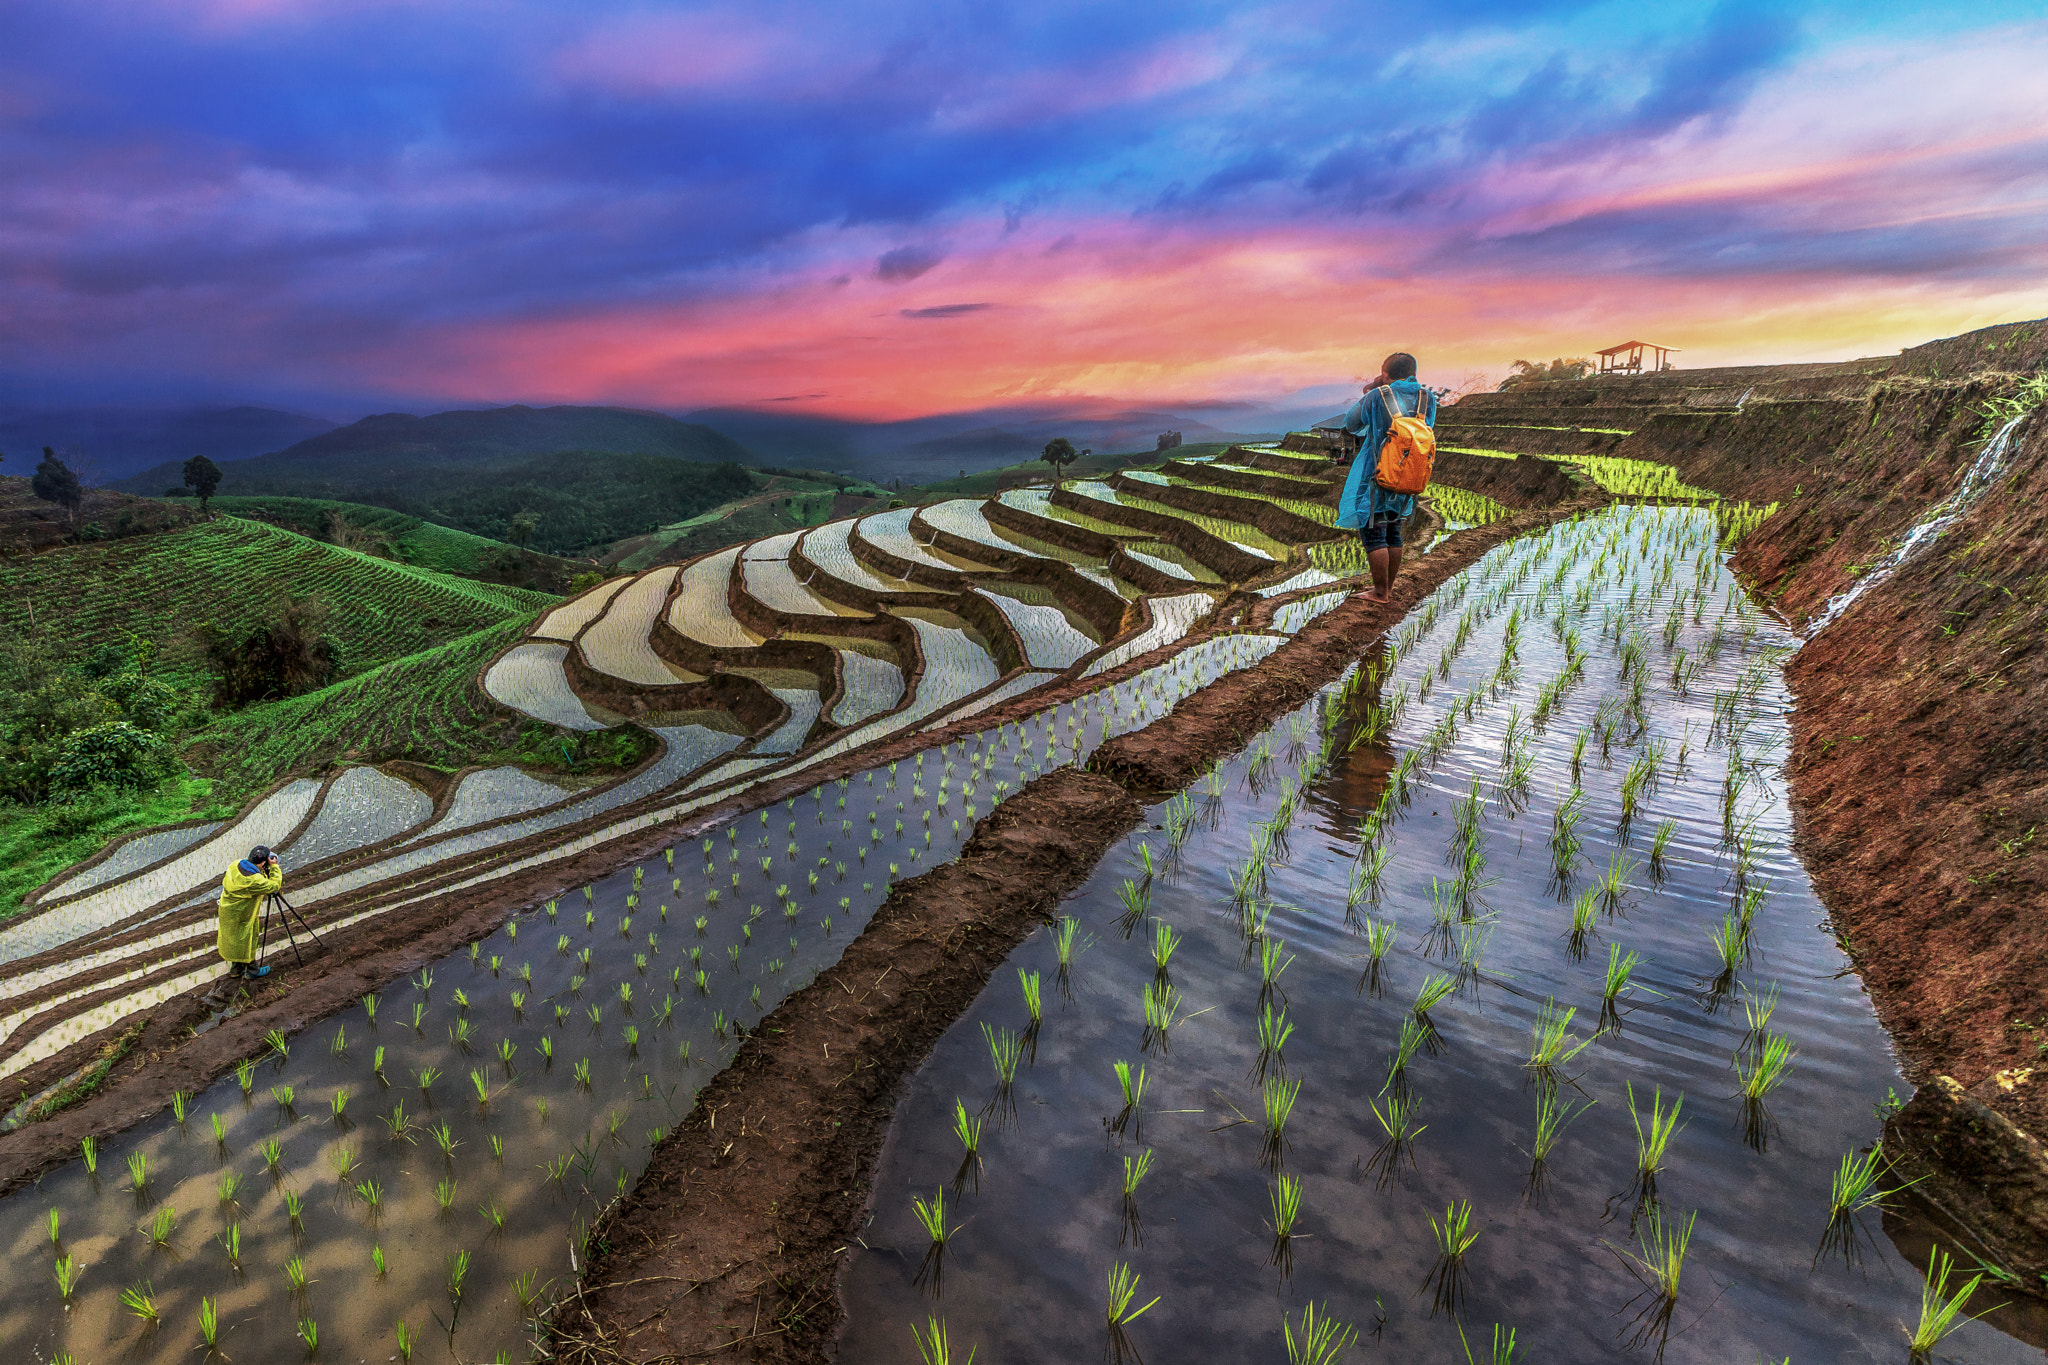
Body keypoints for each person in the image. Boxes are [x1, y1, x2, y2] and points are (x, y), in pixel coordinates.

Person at [1335, 352, 1439, 603]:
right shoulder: (1428, 399)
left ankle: (1380, 592)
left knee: (1373, 532)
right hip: (1409, 475)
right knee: (1394, 531)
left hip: (1378, 474)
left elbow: (1351, 424)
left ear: (1385, 373)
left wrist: (1374, 390)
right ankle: (1388, 589)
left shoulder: (1377, 396)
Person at [217, 845, 283, 980]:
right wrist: (274, 867)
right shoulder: (254, 881)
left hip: (227, 910)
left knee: (234, 940)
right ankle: (252, 970)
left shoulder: (235, 865)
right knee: (246, 939)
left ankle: (236, 968)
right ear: (263, 862)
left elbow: (257, 876)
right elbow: (273, 885)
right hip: (243, 914)